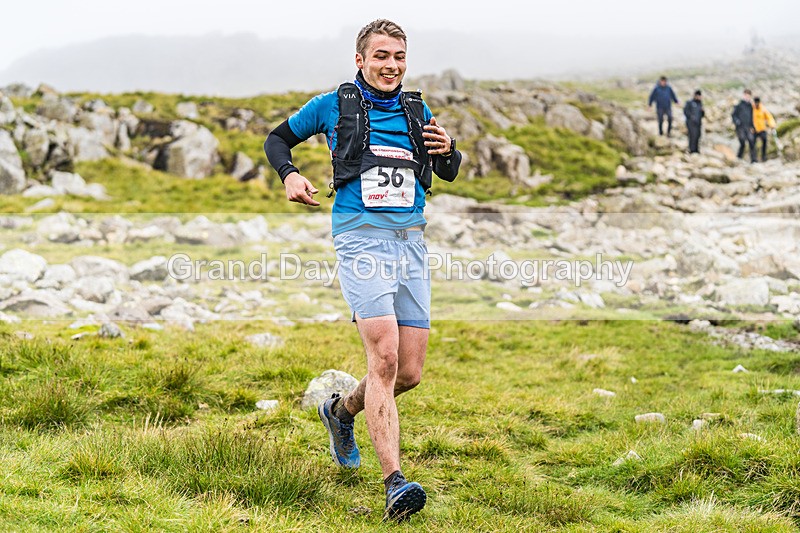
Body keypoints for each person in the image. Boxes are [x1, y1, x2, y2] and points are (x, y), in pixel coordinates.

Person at [264, 19, 461, 521]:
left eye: (398, 56)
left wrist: (450, 150)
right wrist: (289, 176)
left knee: (409, 373)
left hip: (411, 244)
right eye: (380, 56)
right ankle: (395, 482)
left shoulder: (418, 109)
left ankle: (340, 412)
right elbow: (276, 140)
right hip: (360, 240)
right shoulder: (334, 104)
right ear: (360, 60)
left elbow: (448, 170)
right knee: (385, 357)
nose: (390, 65)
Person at [732, 89, 756, 162]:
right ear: (743, 95)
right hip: (740, 127)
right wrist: (737, 122)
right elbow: (733, 115)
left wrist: (753, 126)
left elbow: (752, 117)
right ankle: (739, 157)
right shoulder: (739, 105)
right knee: (742, 142)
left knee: (751, 141)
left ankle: (754, 159)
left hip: (748, 127)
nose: (747, 97)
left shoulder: (751, 106)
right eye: (746, 95)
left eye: (748, 96)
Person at [752, 96, 776, 162]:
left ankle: (764, 157)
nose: (756, 104)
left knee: (764, 142)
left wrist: (772, 125)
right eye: (755, 103)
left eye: (757, 103)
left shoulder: (763, 109)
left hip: (762, 129)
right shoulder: (751, 109)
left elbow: (769, 118)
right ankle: (754, 158)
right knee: (753, 144)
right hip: (754, 129)